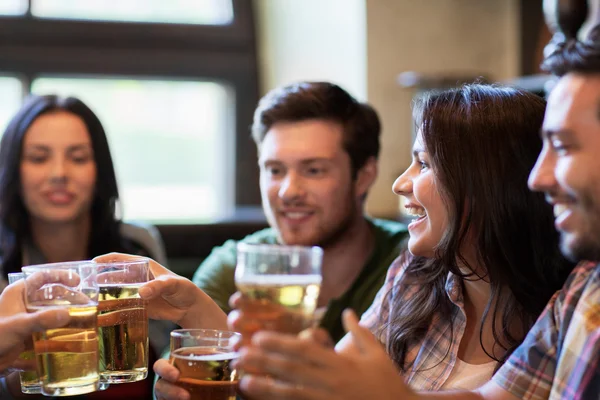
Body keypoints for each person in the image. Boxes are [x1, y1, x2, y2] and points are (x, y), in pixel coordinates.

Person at [222, 28, 600, 400]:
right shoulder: (415, 275)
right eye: (274, 169)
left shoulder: (570, 292)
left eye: (423, 164)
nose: (400, 184)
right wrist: (203, 322)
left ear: (485, 182)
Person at [193, 81, 408, 343]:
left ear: (363, 177)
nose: (288, 192)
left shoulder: (411, 264)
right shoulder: (232, 269)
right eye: (275, 170)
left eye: (313, 170)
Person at [0, 95, 168, 399]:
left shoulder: (137, 245)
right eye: (39, 158)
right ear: (13, 170)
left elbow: (166, 353)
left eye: (78, 158)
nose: (59, 173)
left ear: (99, 170)